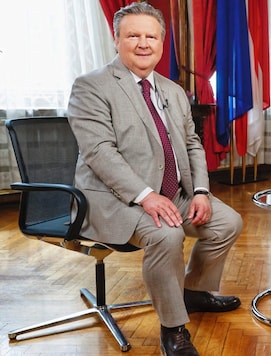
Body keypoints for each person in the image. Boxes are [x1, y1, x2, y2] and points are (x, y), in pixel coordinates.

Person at [67, 3, 242, 355]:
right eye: (133, 35)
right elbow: (100, 152)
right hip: (114, 199)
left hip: (172, 192)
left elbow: (192, 144)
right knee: (167, 234)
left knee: (228, 222)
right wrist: (146, 196)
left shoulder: (173, 90)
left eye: (152, 36)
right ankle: (173, 328)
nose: (143, 43)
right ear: (117, 40)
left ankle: (190, 293)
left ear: (162, 43)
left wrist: (202, 191)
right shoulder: (91, 86)